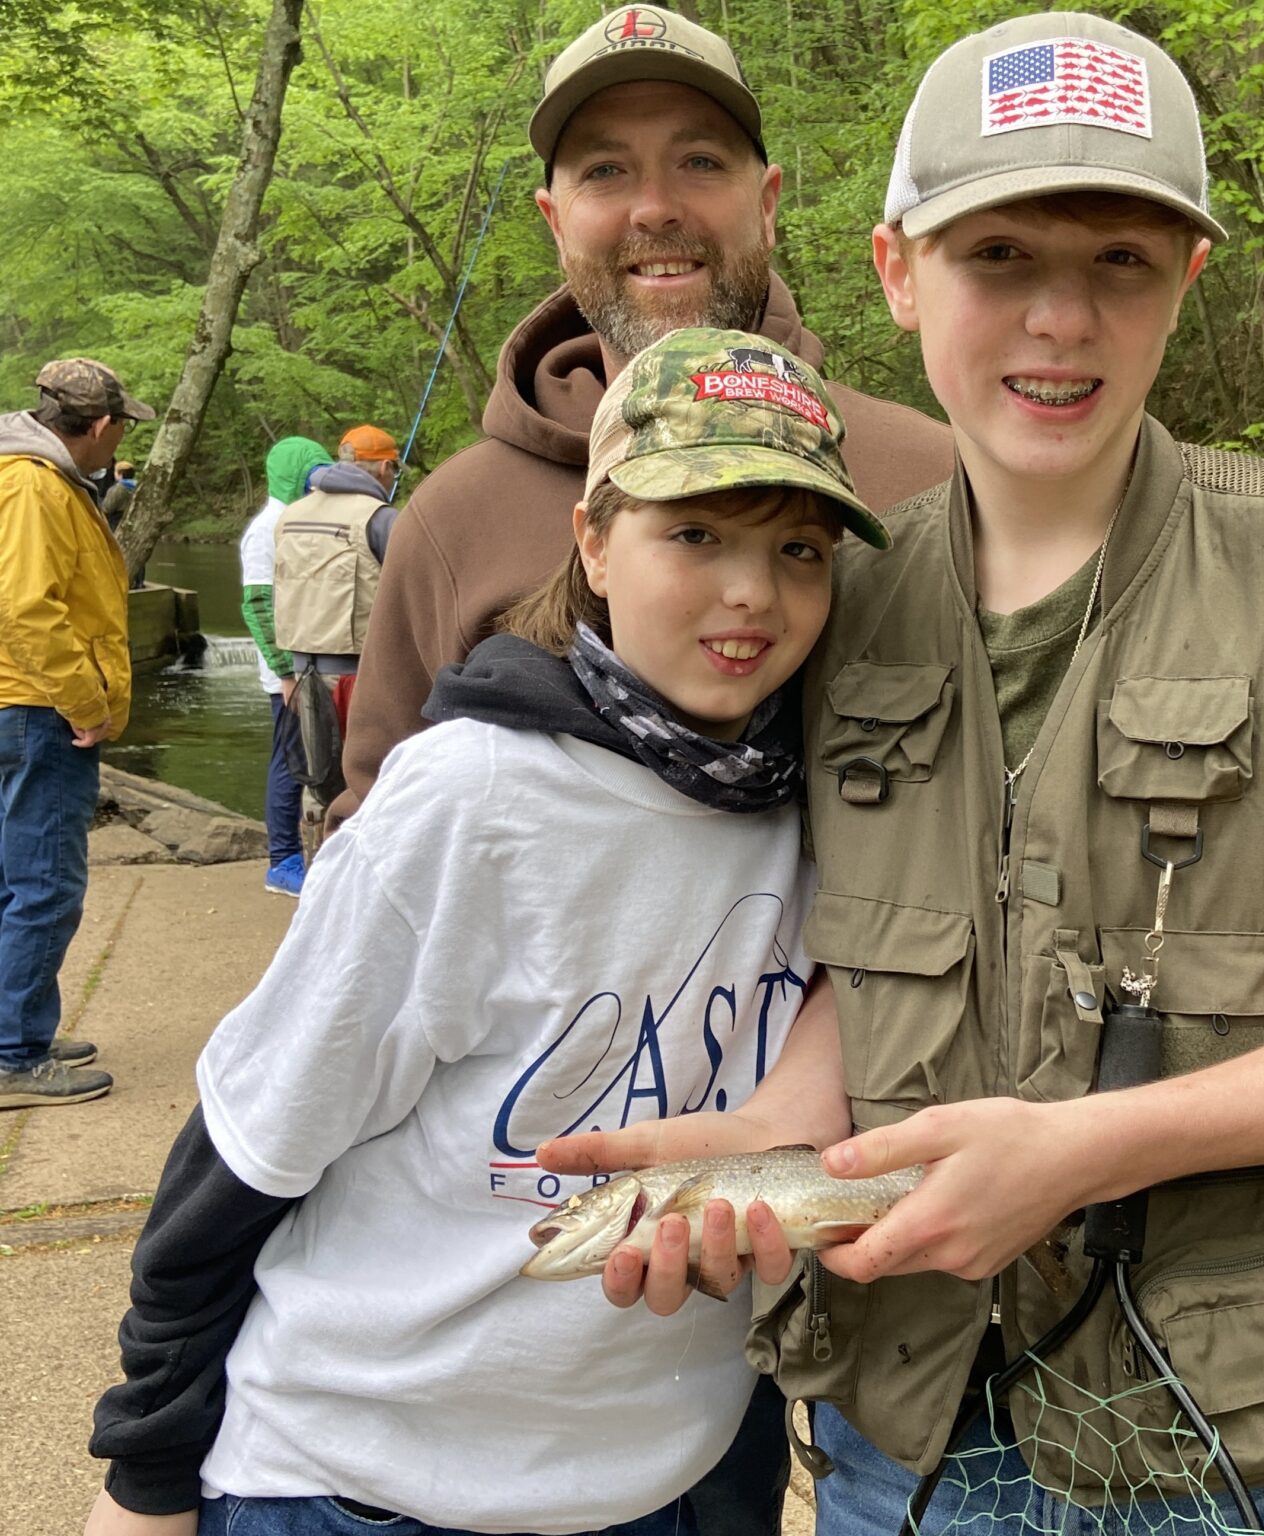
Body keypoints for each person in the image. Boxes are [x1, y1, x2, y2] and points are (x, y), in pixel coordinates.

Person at [545, 14, 1264, 1534]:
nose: (1059, 322)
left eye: (1121, 264)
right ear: (897, 274)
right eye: (1000, 258)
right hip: (910, 1445)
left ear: (1187, 283)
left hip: (1233, 1457)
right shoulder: (843, 602)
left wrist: (1087, 1150)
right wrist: (770, 1142)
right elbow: (852, 964)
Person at [83, 329, 878, 1536]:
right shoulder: (466, 800)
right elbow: (245, 1145)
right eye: (695, 534)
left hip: (673, 1478)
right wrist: (145, 1474)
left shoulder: (822, 801)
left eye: (799, 549)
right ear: (595, 540)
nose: (752, 594)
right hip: (366, 1486)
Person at [331, 2, 953, 830]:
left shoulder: (937, 478)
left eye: (699, 160)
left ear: (767, 203)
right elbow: (376, 838)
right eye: (605, 171)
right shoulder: (451, 521)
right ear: (554, 222)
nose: (655, 208)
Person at [0, 358, 153, 1110]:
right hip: (38, 708)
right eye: (123, 426)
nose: (122, 439)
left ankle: (14, 1028)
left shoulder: (38, 477)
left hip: (21, 703)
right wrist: (85, 701)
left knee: (15, 881)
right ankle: (14, 1056)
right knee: (44, 885)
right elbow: (27, 607)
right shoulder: (33, 484)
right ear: (99, 427)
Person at [272, 425, 401, 818]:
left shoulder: (289, 516)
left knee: (321, 788)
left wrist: (286, 672)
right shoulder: (381, 520)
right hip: (358, 679)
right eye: (396, 468)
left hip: (302, 677)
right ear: (382, 467)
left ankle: (320, 873)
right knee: (371, 786)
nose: (395, 476)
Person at [239, 438, 333, 898]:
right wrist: (285, 674)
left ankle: (301, 853)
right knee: (290, 764)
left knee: (309, 761)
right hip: (287, 676)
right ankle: (282, 861)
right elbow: (256, 605)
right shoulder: (267, 528)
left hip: (305, 666)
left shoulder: (295, 520)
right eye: (312, 474)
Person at [100, 459, 138, 529]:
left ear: (120, 473)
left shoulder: (118, 488)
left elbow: (107, 508)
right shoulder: (138, 487)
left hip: (115, 523)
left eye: (115, 471)